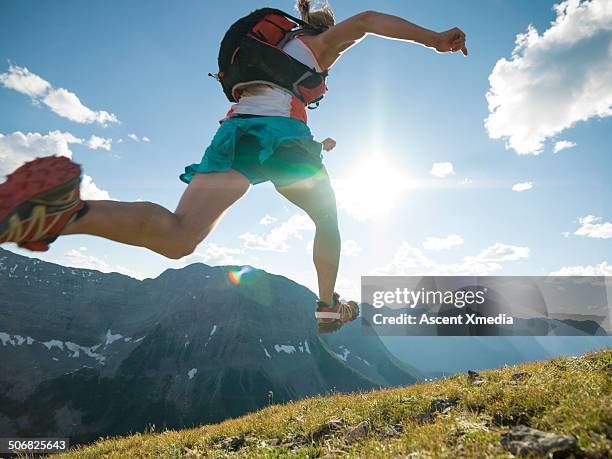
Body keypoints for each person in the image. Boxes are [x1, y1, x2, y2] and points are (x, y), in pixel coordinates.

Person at [0, 0, 467, 334]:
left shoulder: (269, 49)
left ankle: (64, 211)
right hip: (281, 139)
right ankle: (327, 305)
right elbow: (365, 21)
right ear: (321, 29)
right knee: (327, 220)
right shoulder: (320, 44)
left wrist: (313, 144)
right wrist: (435, 39)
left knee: (179, 235)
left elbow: (272, 106)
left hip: (235, 134)